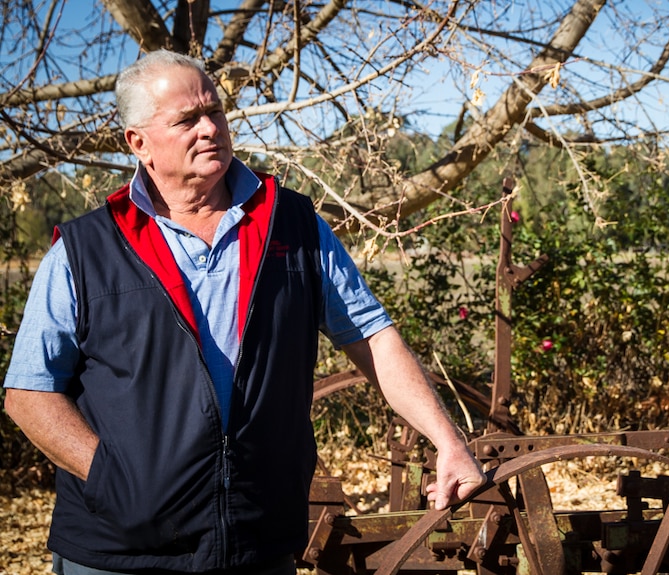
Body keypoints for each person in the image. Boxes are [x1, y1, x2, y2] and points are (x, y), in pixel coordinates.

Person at [3, 50, 485, 575]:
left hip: (258, 539)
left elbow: (373, 338)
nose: (209, 128)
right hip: (119, 550)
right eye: (186, 119)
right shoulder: (84, 249)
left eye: (215, 111)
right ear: (138, 143)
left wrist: (448, 440)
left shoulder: (294, 224)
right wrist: (114, 479)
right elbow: (29, 393)